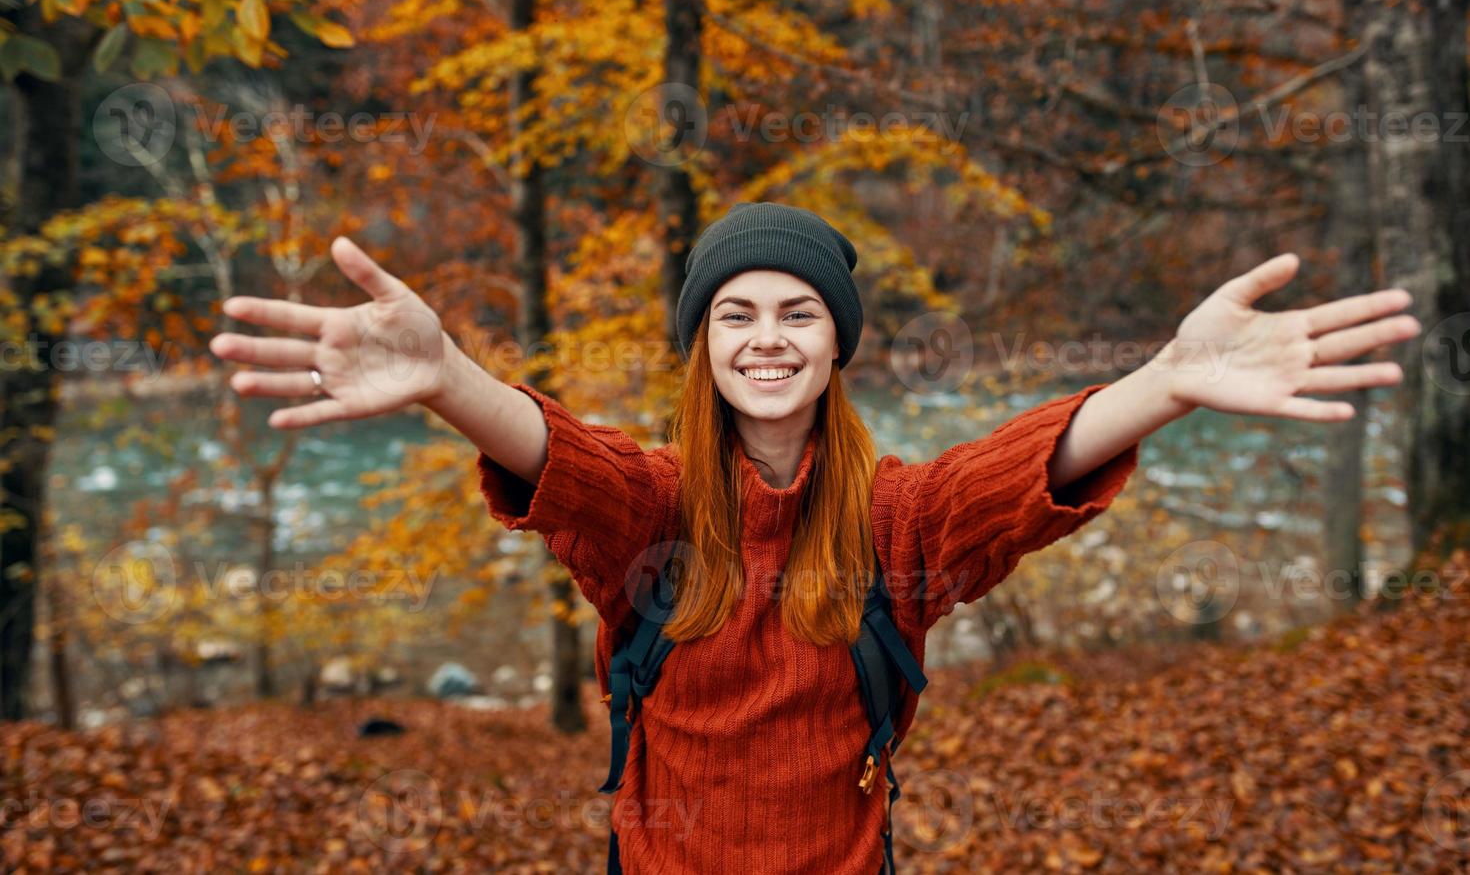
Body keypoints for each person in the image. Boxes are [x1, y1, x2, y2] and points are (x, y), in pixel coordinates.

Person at [208, 201, 1419, 873]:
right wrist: (445, 377)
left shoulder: (898, 521)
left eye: (798, 312)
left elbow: (1015, 476)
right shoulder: (654, 508)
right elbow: (558, 459)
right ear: (704, 345)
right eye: (734, 313)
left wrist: (1168, 378)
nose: (767, 335)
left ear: (837, 342)